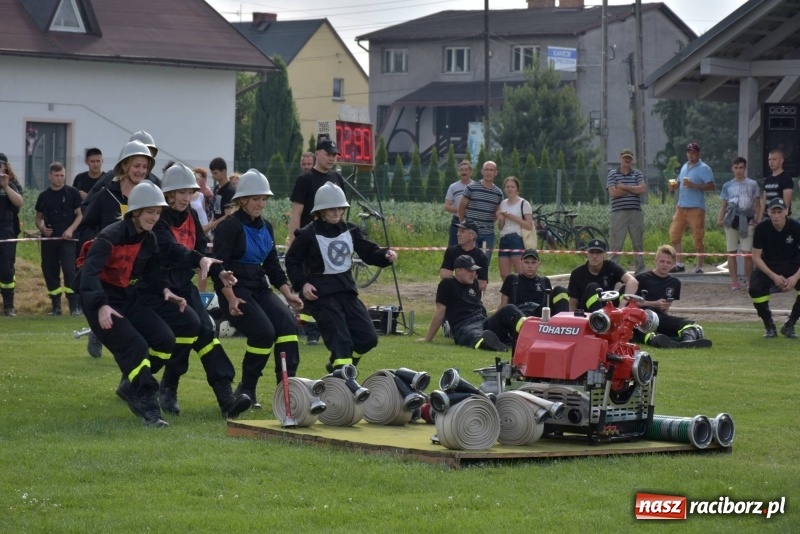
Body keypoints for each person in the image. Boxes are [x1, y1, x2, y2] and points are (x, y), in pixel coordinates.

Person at [75, 181, 184, 427]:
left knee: (165, 339)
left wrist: (167, 290)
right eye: (150, 212)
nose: (154, 218)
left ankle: (130, 385)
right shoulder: (109, 237)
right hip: (99, 300)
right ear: (135, 212)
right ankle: (149, 408)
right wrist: (101, 305)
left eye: (158, 213)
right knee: (136, 346)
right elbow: (88, 276)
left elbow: (153, 275)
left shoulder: (149, 239)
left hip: (126, 295)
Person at [149, 163, 251, 417]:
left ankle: (226, 399)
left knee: (206, 330)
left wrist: (218, 271)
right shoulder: (157, 218)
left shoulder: (192, 216)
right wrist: (199, 261)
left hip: (184, 285)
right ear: (169, 193)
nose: (186, 198)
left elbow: (201, 250)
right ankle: (161, 384)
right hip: (159, 288)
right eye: (181, 192)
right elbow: (173, 250)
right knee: (190, 328)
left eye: (189, 192)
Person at [212, 169, 303, 408]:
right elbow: (216, 268)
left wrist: (288, 294)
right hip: (234, 290)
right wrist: (231, 298)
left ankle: (288, 389)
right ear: (242, 200)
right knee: (263, 332)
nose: (260, 203)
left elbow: (272, 265)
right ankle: (247, 389)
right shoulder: (229, 227)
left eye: (264, 198)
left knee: (288, 326)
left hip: (259, 287)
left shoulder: (267, 227)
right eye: (255, 198)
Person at [285, 182, 397, 372]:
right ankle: (343, 384)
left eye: (340, 208)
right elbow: (292, 261)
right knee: (341, 342)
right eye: (331, 209)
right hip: (321, 296)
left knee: (368, 338)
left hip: (346, 292)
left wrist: (385, 255)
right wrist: (302, 284)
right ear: (320, 210)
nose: (337, 213)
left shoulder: (350, 230)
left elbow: (368, 251)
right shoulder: (307, 234)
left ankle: (342, 368)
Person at [76, 140, 155, 357]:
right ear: (125, 166)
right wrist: (96, 246)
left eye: (144, 167)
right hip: (106, 265)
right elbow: (86, 223)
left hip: (134, 266)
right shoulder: (106, 193)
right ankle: (99, 332)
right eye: (136, 166)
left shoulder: (151, 193)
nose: (140, 171)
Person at [419, 255, 524, 351]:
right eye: (470, 270)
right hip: (464, 325)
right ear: (459, 271)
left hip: (483, 321)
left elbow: (478, 304)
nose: (473, 274)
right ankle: (490, 344)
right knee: (475, 336)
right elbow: (440, 312)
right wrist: (427, 339)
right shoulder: (447, 284)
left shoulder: (473, 282)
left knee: (509, 309)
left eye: (474, 270)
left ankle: (529, 332)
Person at [634, 245, 713, 349]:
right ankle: (658, 340)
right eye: (662, 261)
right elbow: (631, 303)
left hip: (661, 318)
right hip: (643, 317)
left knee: (691, 324)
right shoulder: (641, 278)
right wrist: (654, 304)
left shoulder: (674, 283)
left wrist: (664, 312)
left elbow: (667, 307)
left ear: (673, 264)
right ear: (655, 261)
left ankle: (687, 340)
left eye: (668, 262)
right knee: (640, 330)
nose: (664, 265)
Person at [35, 162, 83, 316]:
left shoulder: (72, 193)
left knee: (70, 270)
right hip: (49, 240)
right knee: (50, 270)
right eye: (56, 175)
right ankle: (56, 306)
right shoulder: (44, 196)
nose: (59, 178)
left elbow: (81, 215)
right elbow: (39, 217)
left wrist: (70, 229)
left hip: (67, 239)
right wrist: (42, 228)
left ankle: (74, 306)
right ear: (50, 176)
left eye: (62, 175)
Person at [749, 197, 800, 339]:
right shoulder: (761, 229)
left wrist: (795, 278)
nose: (776, 215)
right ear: (768, 213)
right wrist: (774, 277)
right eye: (773, 212)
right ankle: (769, 325)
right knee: (755, 289)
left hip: (792, 264)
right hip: (768, 265)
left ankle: (790, 324)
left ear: (787, 212)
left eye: (780, 211)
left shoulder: (796, 227)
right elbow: (756, 257)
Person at [80, 130, 161, 211]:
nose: (144, 153)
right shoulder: (111, 177)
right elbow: (87, 205)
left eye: (149, 151)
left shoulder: (155, 183)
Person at [287, 138, 345, 246]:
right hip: (310, 240)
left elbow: (341, 212)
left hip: (332, 240)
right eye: (328, 155)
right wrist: (293, 245)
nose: (331, 158)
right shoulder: (305, 179)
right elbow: (296, 214)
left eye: (334, 155)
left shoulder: (337, 177)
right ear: (317, 154)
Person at [669, 141, 715, 273]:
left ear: (698, 153)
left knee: (698, 238)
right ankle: (679, 263)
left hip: (696, 208)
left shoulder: (704, 168)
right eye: (689, 152)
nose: (691, 155)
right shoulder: (684, 166)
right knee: (674, 235)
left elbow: (712, 186)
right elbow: (679, 182)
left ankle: (699, 266)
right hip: (681, 207)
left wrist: (695, 186)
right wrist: (674, 186)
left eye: (693, 152)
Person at [717, 156, 761, 290]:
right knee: (732, 253)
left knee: (747, 253)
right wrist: (720, 219)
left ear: (745, 168)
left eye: (741, 167)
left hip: (747, 220)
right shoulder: (727, 185)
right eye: (736, 168)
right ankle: (734, 282)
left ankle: (749, 281)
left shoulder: (752, 184)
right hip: (731, 219)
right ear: (732, 169)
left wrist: (757, 220)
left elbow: (757, 204)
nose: (738, 170)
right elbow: (724, 205)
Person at [567, 239, 638, 312]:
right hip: (587, 312)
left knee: (627, 290)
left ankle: (624, 318)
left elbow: (633, 282)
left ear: (605, 254)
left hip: (608, 306)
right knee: (593, 287)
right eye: (591, 252)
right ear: (587, 254)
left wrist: (622, 304)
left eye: (598, 253)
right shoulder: (577, 273)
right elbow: (573, 302)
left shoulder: (610, 267)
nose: (594, 256)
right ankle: (599, 319)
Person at [606, 148, 646, 274]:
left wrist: (623, 187)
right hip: (618, 213)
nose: (627, 160)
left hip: (635, 213)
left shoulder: (637, 173)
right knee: (616, 244)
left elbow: (642, 189)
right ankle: (612, 270)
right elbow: (613, 192)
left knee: (638, 243)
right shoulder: (612, 173)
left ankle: (640, 271)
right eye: (625, 158)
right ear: (620, 159)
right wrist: (632, 189)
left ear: (632, 160)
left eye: (629, 158)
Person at [498, 249, 569, 316]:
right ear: (521, 263)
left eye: (533, 262)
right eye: (526, 262)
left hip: (540, 312)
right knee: (509, 309)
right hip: (519, 313)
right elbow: (503, 305)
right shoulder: (512, 279)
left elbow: (548, 303)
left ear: (539, 264)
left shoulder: (545, 281)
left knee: (560, 290)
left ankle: (564, 323)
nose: (530, 266)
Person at [457, 160, 503, 263]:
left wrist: (488, 224)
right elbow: (461, 208)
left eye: (491, 170)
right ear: (482, 171)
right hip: (471, 233)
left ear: (496, 173)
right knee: (469, 263)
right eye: (486, 169)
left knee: (484, 264)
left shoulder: (498, 193)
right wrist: (464, 224)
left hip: (488, 234)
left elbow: (496, 213)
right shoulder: (471, 188)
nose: (489, 172)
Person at [496, 176, 533, 280]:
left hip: (517, 238)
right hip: (504, 239)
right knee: (504, 275)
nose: (510, 189)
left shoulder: (524, 203)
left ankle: (521, 295)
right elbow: (500, 227)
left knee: (520, 272)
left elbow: (529, 225)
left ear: (517, 189)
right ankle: (509, 294)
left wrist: (513, 217)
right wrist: (501, 219)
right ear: (504, 189)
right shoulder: (503, 203)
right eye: (507, 187)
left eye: (512, 186)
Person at [0, 153, 24, 316]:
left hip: (6, 229)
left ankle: (9, 306)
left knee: (6, 269)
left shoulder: (12, 184)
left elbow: (19, 202)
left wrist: (5, 186)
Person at [440, 220, 489, 293]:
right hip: (453, 293)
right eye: (458, 231)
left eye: (462, 231)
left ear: (472, 236)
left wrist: (458, 277)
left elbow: (482, 284)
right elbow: (444, 274)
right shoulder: (451, 251)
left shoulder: (481, 256)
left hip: (471, 296)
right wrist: (469, 278)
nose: (458, 234)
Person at [443, 160, 475, 247]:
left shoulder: (476, 186)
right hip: (457, 222)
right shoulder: (453, 187)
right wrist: (460, 210)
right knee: (453, 250)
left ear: (471, 172)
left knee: (470, 249)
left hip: (471, 222)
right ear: (459, 172)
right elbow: (446, 206)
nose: (464, 172)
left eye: (466, 170)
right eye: (461, 170)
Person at [762, 148, 793, 216]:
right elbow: (764, 201)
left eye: (774, 159)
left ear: (781, 160)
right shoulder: (767, 179)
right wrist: (759, 219)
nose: (771, 162)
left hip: (779, 217)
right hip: (767, 216)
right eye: (769, 159)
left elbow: (786, 203)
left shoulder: (786, 178)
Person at [209, 157, 235, 227]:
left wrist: (210, 226)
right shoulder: (217, 188)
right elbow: (215, 210)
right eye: (212, 173)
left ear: (224, 171)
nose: (213, 176)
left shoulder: (229, 191)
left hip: (225, 229)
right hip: (216, 228)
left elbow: (228, 216)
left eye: (215, 173)